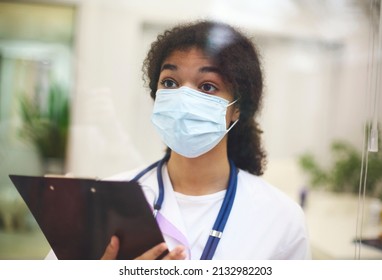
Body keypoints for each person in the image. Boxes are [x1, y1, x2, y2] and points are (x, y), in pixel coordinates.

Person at [46, 20, 310, 260]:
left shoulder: (281, 218)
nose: (183, 98)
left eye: (207, 86)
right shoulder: (104, 200)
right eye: (170, 82)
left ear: (237, 109)